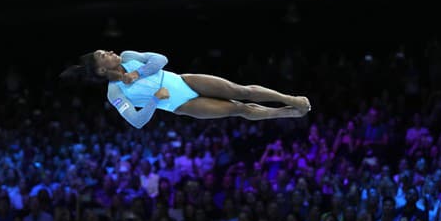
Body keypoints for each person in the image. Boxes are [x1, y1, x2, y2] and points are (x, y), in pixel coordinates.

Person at [61, 50, 311, 129]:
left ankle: (289, 99)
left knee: (240, 90)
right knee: (240, 110)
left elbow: (160, 59)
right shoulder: (114, 93)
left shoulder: (129, 56)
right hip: (180, 104)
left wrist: (138, 73)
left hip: (184, 81)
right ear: (102, 70)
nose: (111, 52)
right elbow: (136, 121)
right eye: (104, 55)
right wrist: (154, 101)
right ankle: (286, 113)